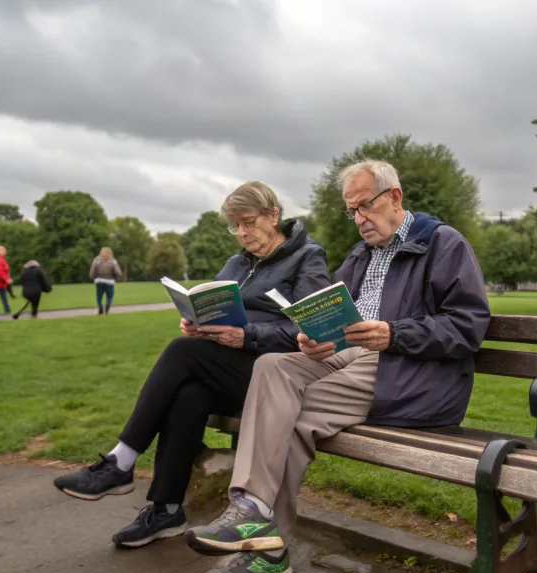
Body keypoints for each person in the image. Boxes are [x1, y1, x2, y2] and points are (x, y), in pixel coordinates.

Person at [186, 160, 490, 573]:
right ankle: (251, 506)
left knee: (288, 417)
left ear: (395, 198)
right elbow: (332, 313)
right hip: (350, 357)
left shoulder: (443, 244)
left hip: (408, 371)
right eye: (352, 211)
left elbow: (468, 326)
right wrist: (315, 339)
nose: (359, 219)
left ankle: (267, 553)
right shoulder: (361, 253)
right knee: (273, 365)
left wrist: (395, 333)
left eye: (364, 206)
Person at [53, 181, 330, 550]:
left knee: (181, 353)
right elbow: (212, 303)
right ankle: (166, 508)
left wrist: (246, 335)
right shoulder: (236, 263)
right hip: (225, 368)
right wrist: (196, 322)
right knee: (189, 392)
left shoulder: (307, 257)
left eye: (248, 222)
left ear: (273, 215)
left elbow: (310, 328)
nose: (243, 233)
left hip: (275, 375)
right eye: (236, 226)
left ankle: (122, 460)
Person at [89, 248, 122, 314]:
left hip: (99, 281)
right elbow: (118, 272)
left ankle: (100, 307)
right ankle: (107, 307)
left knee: (99, 297)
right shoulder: (113, 261)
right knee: (109, 296)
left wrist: (93, 278)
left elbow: (92, 272)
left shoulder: (96, 260)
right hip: (110, 281)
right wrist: (115, 278)